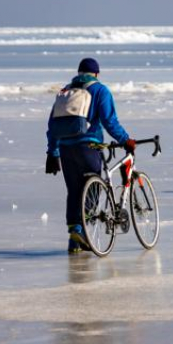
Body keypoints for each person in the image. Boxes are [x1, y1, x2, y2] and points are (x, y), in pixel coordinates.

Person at [45, 57, 135, 252]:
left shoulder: (66, 91)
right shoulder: (100, 90)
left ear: (78, 73)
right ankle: (84, 230)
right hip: (89, 146)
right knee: (93, 188)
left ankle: (74, 236)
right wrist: (125, 140)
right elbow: (110, 121)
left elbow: (53, 125)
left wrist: (52, 152)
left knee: (75, 191)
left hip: (66, 149)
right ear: (97, 74)